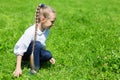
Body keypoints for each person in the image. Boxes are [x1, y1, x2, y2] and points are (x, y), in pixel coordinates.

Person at [13, 4, 56, 77]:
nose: (53, 24)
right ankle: (34, 69)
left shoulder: (46, 30)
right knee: (37, 44)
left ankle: (34, 60)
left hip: (35, 50)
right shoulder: (30, 31)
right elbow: (20, 50)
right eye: (52, 21)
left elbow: (41, 45)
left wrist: (49, 57)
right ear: (42, 19)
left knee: (48, 55)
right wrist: (18, 68)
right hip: (24, 54)